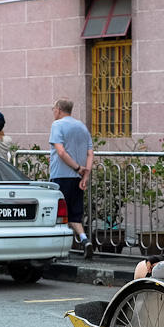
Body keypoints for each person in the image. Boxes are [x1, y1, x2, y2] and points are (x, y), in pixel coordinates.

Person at [49, 98, 94, 255]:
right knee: (75, 214)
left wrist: (77, 167)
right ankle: (84, 239)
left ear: (59, 110)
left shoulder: (57, 125)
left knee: (58, 214)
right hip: (78, 178)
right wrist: (85, 174)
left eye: (53, 108)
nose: (53, 111)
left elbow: (61, 152)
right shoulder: (82, 126)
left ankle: (59, 249)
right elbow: (90, 153)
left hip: (61, 175)